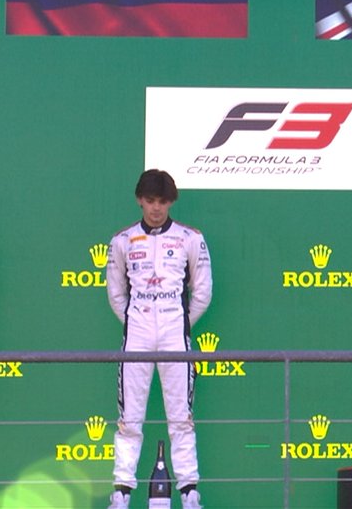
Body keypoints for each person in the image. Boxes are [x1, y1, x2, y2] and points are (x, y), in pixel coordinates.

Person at [107, 170, 212, 509]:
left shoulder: (190, 238)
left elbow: (202, 291)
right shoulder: (122, 241)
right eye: (150, 201)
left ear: (171, 202)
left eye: (163, 201)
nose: (156, 208)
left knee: (181, 417)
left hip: (174, 333)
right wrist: (136, 320)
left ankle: (189, 493)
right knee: (129, 417)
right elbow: (116, 294)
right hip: (137, 334)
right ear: (140, 200)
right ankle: (121, 493)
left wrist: (178, 321)